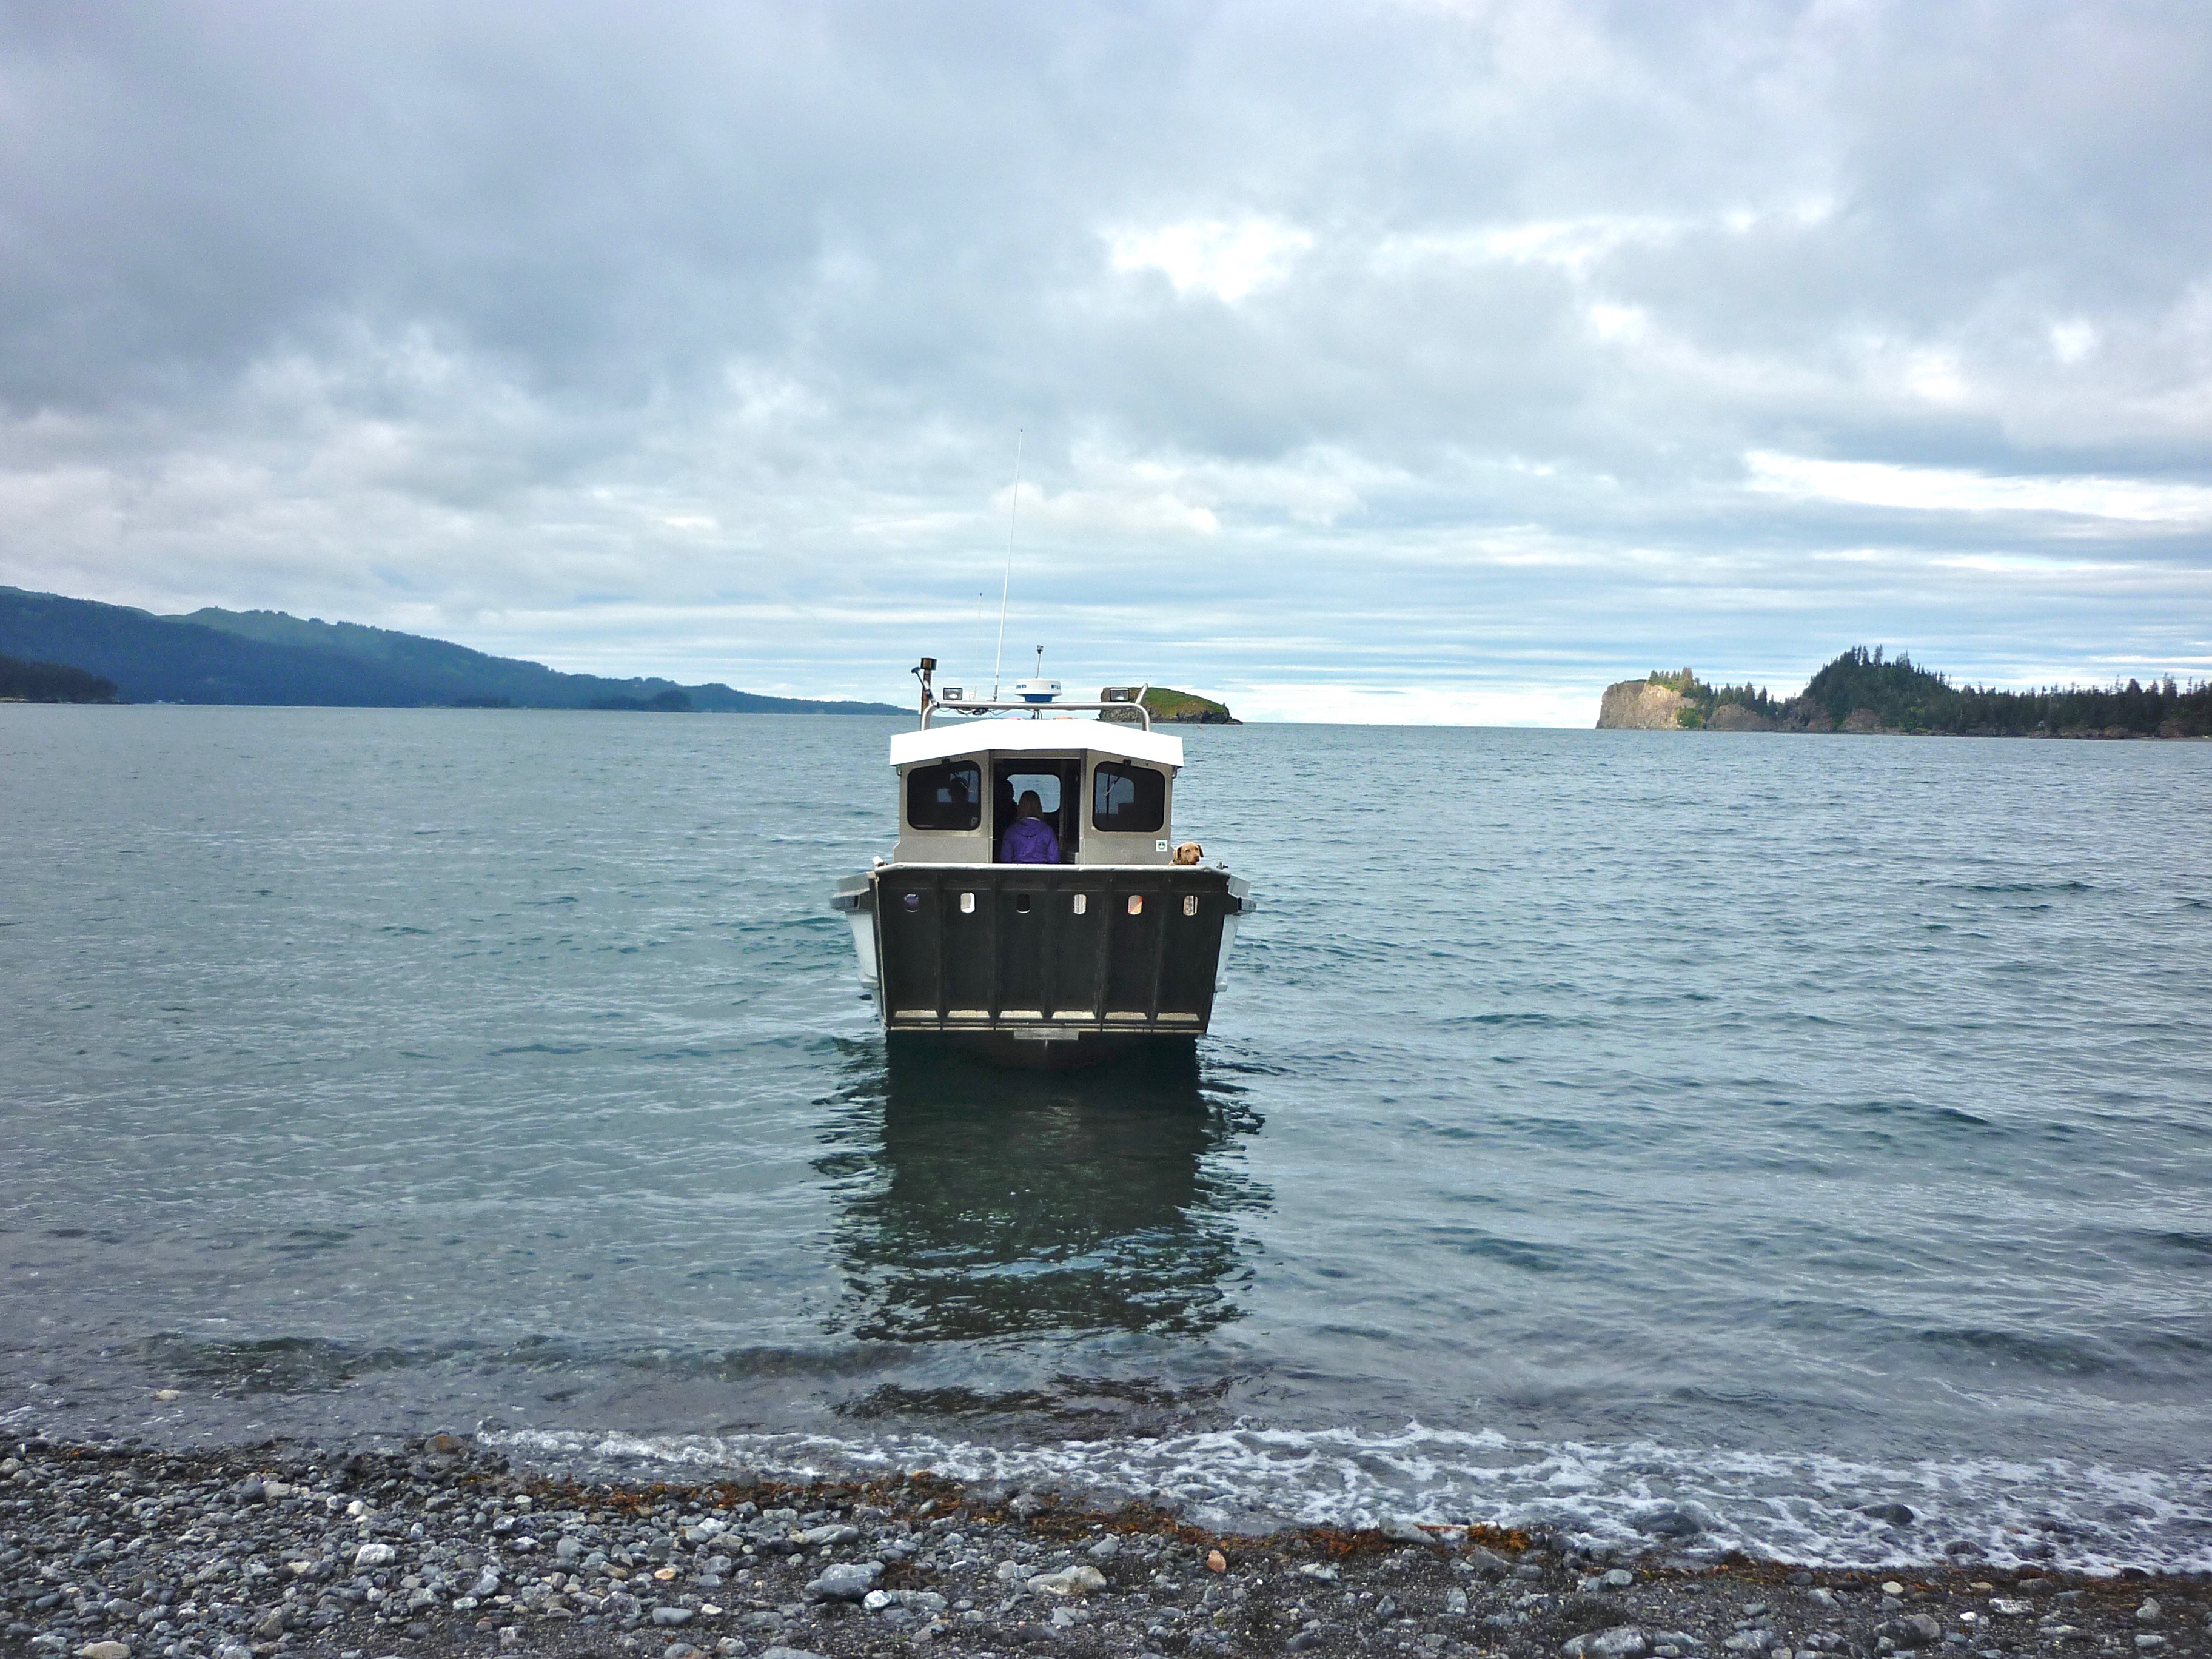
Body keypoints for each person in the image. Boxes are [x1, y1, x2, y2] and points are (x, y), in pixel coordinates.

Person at [999, 790, 1061, 863]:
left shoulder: (1011, 832)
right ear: (1039, 807)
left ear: (1020, 807)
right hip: (1042, 872)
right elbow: (1054, 859)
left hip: (1016, 872)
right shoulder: (1048, 831)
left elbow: (1005, 859)